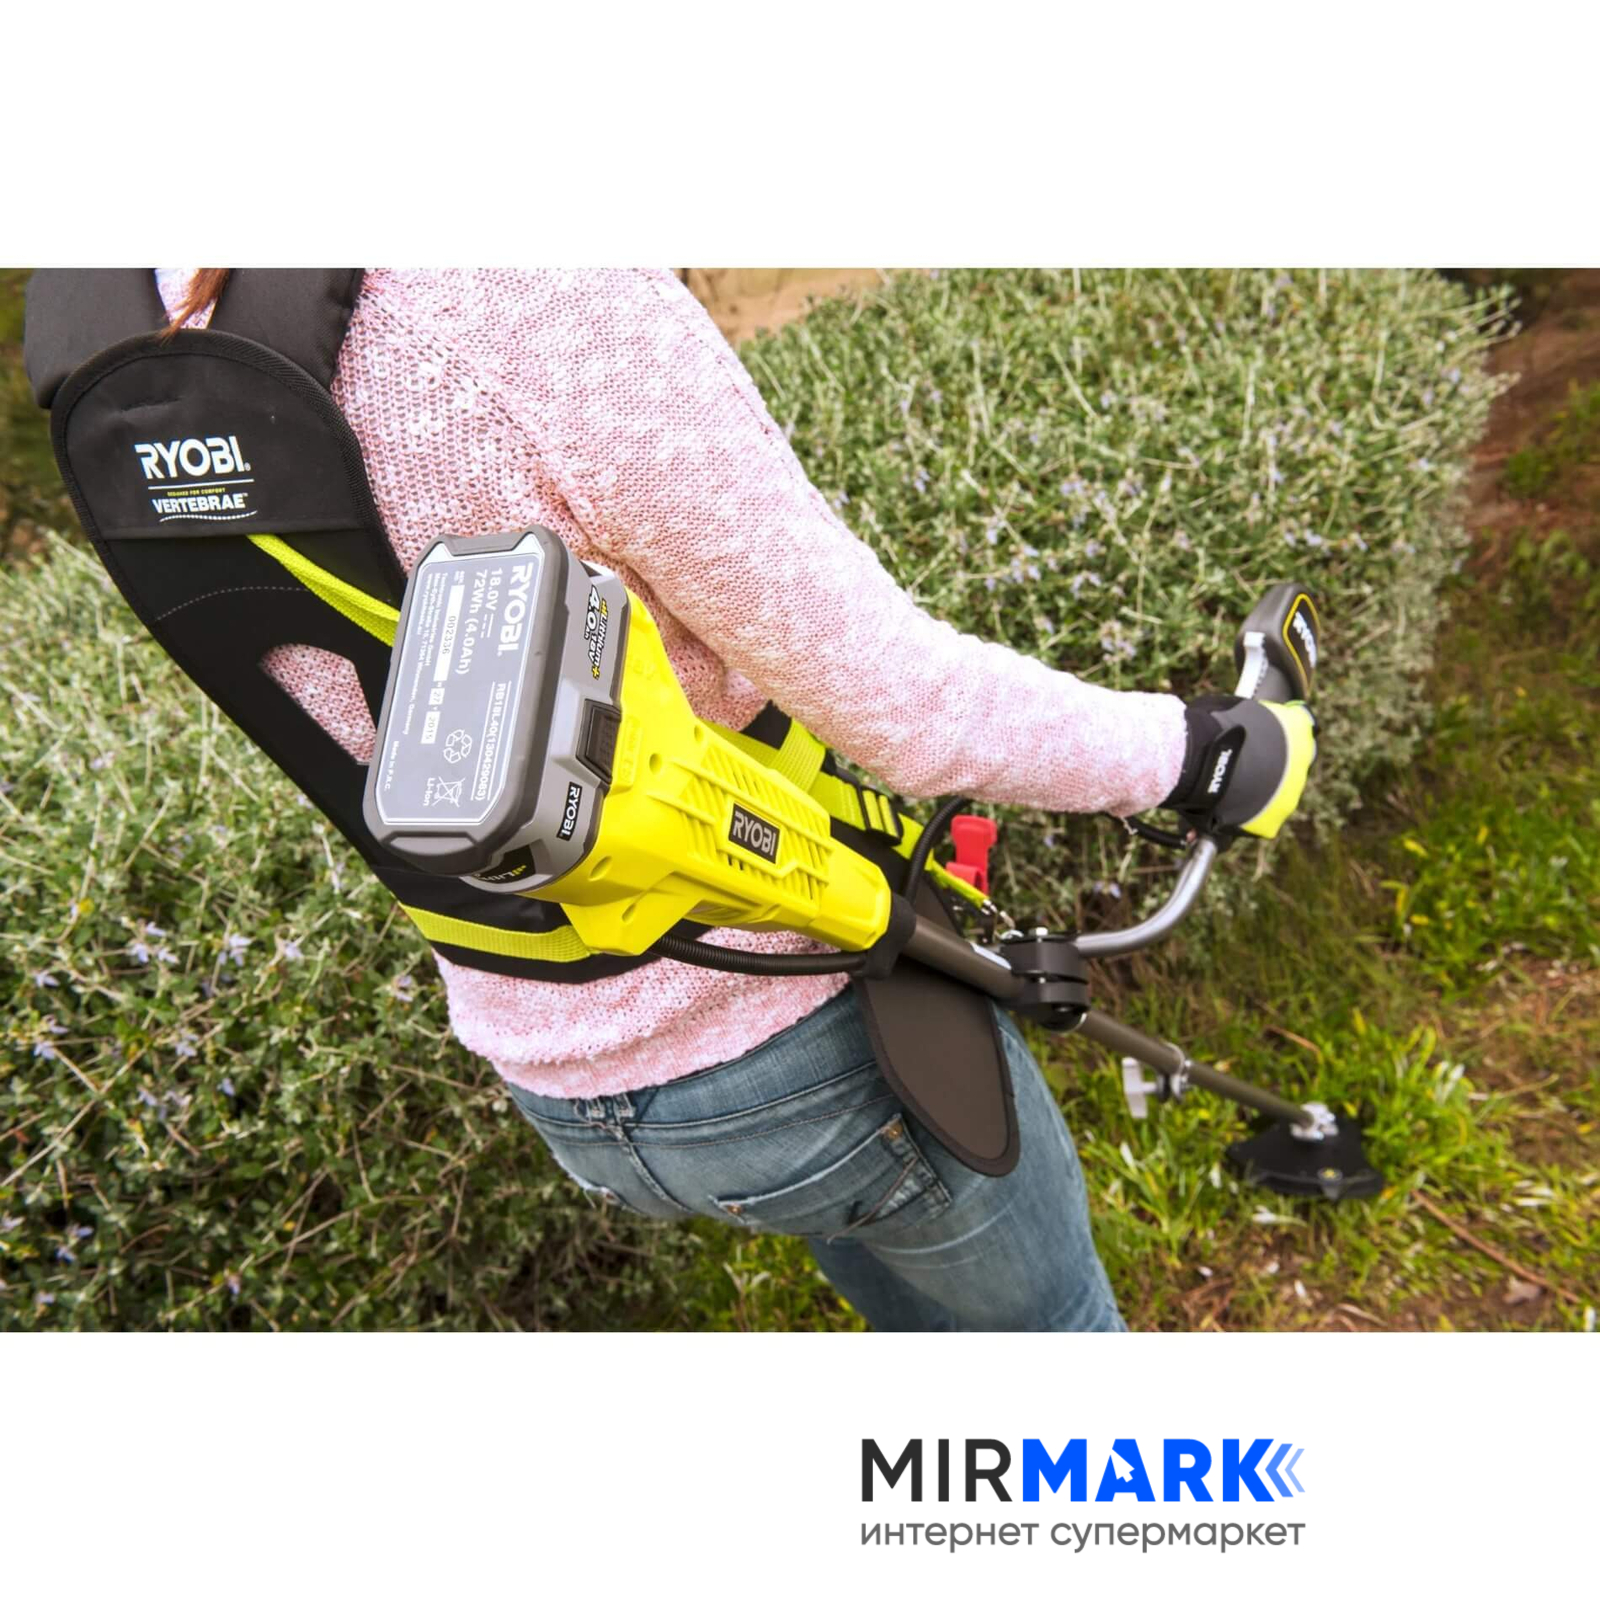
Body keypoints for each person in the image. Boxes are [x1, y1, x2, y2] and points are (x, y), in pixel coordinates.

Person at [152, 268, 1291, 1332]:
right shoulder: (509, 290)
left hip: (549, 1068)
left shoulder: (129, 342)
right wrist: (1198, 756)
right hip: (808, 1040)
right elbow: (902, 703)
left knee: (906, 1298)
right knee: (1054, 1335)